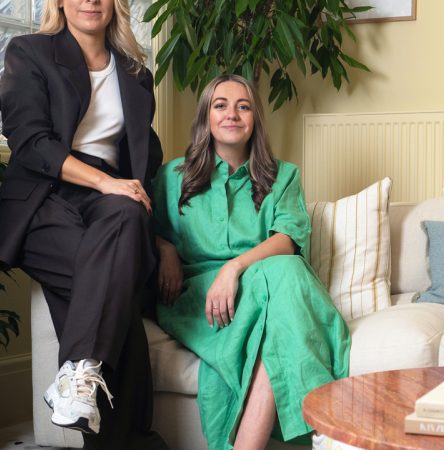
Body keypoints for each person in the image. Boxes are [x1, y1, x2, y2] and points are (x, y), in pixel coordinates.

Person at [0, 0, 166, 447]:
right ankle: (136, 441)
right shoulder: (30, 52)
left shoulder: (135, 74)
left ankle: (77, 380)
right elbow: (31, 143)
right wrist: (106, 182)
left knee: (127, 216)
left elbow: (144, 161)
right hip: (44, 196)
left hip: (109, 205)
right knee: (115, 294)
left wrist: (160, 238)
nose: (91, 0)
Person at [152, 74, 351, 450]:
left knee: (284, 279)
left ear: (255, 118)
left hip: (264, 288)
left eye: (243, 106)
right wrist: (166, 249)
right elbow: (147, 229)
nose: (232, 114)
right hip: (200, 299)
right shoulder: (172, 177)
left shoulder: (284, 176)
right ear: (206, 117)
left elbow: (288, 239)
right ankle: (327, 428)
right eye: (220, 105)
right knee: (286, 279)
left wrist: (234, 268)